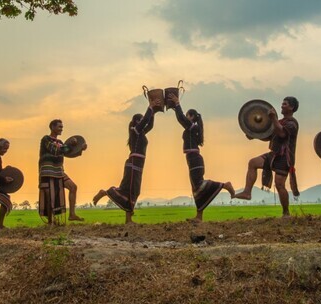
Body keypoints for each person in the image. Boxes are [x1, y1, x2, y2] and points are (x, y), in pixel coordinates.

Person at [167, 93, 235, 222]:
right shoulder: (193, 128)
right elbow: (181, 118)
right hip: (192, 159)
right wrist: (175, 108)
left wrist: (177, 104)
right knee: (196, 188)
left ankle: (225, 185)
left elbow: (181, 119)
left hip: (195, 159)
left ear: (192, 117)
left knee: (199, 185)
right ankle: (199, 217)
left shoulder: (193, 127)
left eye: (188, 115)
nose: (186, 118)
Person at [92, 98, 159, 224]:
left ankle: (128, 219)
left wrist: (154, 112)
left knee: (135, 190)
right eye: (141, 121)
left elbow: (150, 124)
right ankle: (105, 193)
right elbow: (146, 120)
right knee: (129, 189)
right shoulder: (135, 131)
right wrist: (150, 107)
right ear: (137, 122)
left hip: (138, 165)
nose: (143, 123)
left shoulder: (141, 133)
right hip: (133, 164)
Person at [233, 96, 300, 218]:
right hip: (274, 154)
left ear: (291, 107)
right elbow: (269, 136)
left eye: (284, 104)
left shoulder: (292, 124)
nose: (281, 106)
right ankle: (247, 192)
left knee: (279, 185)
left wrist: (273, 118)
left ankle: (286, 213)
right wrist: (254, 134)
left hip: (284, 157)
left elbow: (281, 133)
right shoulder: (280, 122)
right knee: (253, 163)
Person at [39, 119, 86, 224]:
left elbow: (69, 153)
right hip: (48, 170)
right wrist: (70, 144)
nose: (61, 129)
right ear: (52, 127)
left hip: (59, 171)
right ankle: (51, 221)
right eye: (60, 127)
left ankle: (72, 214)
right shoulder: (46, 139)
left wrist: (80, 149)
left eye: (62, 127)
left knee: (73, 187)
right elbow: (55, 150)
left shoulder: (60, 143)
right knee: (50, 195)